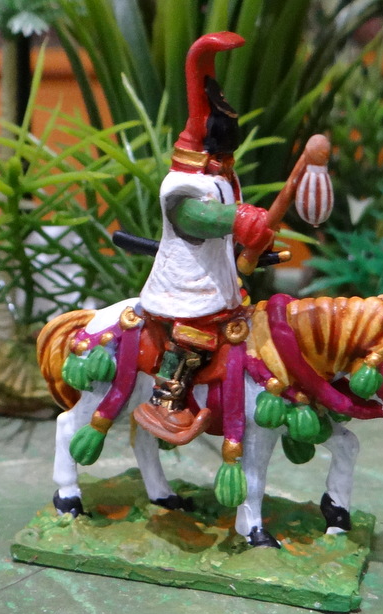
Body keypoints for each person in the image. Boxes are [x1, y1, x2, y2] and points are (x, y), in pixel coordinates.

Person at [133, 32, 275, 438]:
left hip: (218, 277)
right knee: (191, 337)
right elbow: (199, 218)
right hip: (187, 283)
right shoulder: (182, 185)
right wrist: (241, 219)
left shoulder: (224, 175)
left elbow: (229, 229)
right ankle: (165, 402)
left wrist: (252, 244)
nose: (225, 159)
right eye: (219, 152)